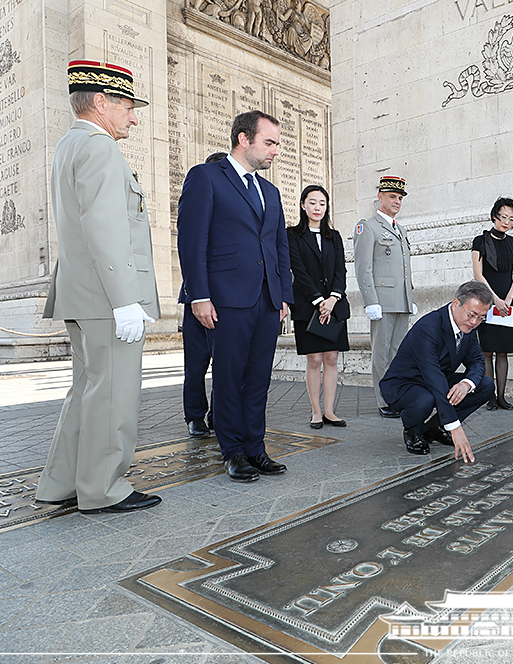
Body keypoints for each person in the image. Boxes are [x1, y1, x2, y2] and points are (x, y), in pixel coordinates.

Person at [36, 60, 161, 514]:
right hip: (107, 298)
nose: (134, 117)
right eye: (128, 106)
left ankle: (62, 482)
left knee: (87, 390)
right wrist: (126, 300)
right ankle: (104, 488)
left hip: (82, 292)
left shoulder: (70, 145)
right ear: (102, 102)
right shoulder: (100, 148)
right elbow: (106, 229)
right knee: (112, 393)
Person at [178, 110, 294, 483]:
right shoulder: (206, 177)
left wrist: (284, 297)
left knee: (258, 377)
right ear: (244, 139)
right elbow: (191, 241)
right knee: (229, 376)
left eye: (277, 144)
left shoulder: (270, 192)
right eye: (270, 142)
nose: (275, 151)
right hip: (225, 297)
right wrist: (199, 295)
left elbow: (279, 249)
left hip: (266, 300)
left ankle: (255, 448)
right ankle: (232, 452)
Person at [380, 281, 497, 462]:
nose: (475, 322)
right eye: (472, 315)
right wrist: (456, 428)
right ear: (456, 303)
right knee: (426, 398)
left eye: (481, 317)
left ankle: (435, 428)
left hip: (436, 380)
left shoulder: (469, 327)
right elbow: (433, 377)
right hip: (404, 384)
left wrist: (466, 385)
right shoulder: (428, 327)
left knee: (485, 385)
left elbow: (477, 363)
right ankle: (413, 429)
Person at [286, 184, 350, 429]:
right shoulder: (292, 235)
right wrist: (318, 300)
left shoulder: (334, 236)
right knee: (314, 359)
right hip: (308, 305)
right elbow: (298, 271)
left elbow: (340, 271)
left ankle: (330, 411)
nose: (317, 208)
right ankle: (315, 411)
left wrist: (333, 299)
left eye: (322, 203)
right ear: (303, 205)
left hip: (334, 305)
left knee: (331, 358)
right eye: (312, 202)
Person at [353, 176, 416, 417]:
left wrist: (410, 297)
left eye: (400, 198)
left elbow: (403, 268)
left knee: (399, 353)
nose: (397, 201)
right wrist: (371, 302)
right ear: (380, 197)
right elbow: (363, 267)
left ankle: (396, 395)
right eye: (392, 197)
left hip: (401, 301)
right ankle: (384, 400)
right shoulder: (367, 227)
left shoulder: (401, 229)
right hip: (382, 302)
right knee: (381, 353)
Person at [179, 151, 229, 438]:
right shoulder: (200, 203)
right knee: (196, 364)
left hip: (227, 300)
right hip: (196, 298)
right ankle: (195, 415)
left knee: (226, 365)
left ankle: (218, 414)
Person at [472, 197, 513, 410]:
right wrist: (495, 299)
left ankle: (501, 397)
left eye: (511, 219)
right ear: (495, 216)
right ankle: (489, 397)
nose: (506, 222)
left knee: (503, 351)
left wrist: (508, 299)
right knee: (487, 351)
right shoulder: (479, 241)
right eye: (503, 217)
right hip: (487, 299)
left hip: (508, 300)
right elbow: (478, 274)